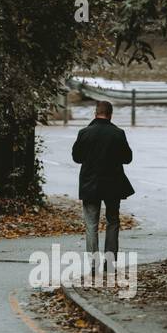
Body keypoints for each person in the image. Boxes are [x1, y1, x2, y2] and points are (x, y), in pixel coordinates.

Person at [71, 99, 134, 268]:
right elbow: (127, 158)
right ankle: (110, 261)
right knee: (112, 221)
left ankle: (93, 263)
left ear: (95, 113)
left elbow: (76, 157)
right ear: (110, 115)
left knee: (91, 223)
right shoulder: (118, 133)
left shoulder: (84, 132)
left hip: (90, 184)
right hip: (113, 184)